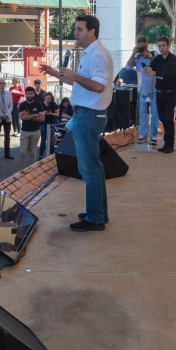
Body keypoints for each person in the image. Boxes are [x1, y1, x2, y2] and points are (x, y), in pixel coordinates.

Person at [40, 15, 113, 232]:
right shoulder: (91, 53)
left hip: (88, 115)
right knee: (95, 168)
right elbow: (83, 83)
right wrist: (58, 74)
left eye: (79, 29)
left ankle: (95, 219)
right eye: (75, 30)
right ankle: (99, 213)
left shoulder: (97, 54)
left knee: (89, 169)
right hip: (88, 114)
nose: (76, 33)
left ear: (92, 31)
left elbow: (98, 86)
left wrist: (74, 75)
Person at [141, 37, 176, 153]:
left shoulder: (174, 59)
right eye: (159, 46)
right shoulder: (157, 59)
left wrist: (155, 72)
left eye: (163, 45)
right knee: (162, 118)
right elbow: (152, 66)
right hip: (159, 93)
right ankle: (166, 143)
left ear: (168, 46)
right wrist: (147, 69)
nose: (161, 48)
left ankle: (170, 144)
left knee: (168, 119)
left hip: (170, 92)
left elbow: (170, 74)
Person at [126, 37, 158, 144]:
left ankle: (153, 136)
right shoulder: (137, 57)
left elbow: (160, 64)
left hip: (154, 90)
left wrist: (148, 56)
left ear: (147, 45)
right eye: (140, 47)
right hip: (143, 91)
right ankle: (143, 135)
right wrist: (133, 53)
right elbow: (128, 67)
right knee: (143, 113)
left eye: (144, 47)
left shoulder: (154, 54)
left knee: (154, 114)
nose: (142, 49)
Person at [17, 86, 44, 169]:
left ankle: (32, 170)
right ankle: (21, 171)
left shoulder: (38, 104)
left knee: (33, 153)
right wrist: (35, 115)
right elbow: (22, 118)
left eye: (31, 93)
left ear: (34, 94)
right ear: (26, 94)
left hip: (35, 131)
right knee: (23, 152)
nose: (29, 95)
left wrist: (28, 116)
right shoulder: (22, 105)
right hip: (25, 131)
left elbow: (42, 118)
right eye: (28, 93)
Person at [38, 92, 60, 160]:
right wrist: (43, 113)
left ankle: (52, 154)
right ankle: (41, 155)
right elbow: (38, 114)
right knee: (43, 139)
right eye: (47, 98)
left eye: (50, 98)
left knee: (51, 140)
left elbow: (57, 114)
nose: (48, 100)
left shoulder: (54, 104)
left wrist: (51, 113)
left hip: (51, 123)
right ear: (45, 98)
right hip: (43, 122)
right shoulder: (41, 104)